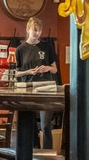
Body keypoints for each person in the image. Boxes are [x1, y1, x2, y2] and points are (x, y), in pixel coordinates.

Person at [16, 17, 58, 148]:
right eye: (35, 30)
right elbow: (16, 73)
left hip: (46, 87)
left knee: (46, 125)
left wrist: (47, 68)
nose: (37, 33)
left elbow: (55, 69)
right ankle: (32, 151)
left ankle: (48, 153)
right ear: (28, 30)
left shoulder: (47, 46)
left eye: (39, 30)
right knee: (30, 124)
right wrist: (28, 72)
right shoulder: (20, 49)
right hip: (28, 87)